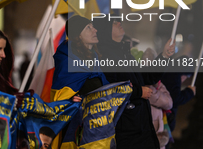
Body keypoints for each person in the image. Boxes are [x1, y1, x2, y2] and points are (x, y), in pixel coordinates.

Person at [93, 18, 175, 149]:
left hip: (139, 127)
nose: (119, 23)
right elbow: (110, 91)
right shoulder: (106, 57)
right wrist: (139, 92)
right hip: (127, 130)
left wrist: (164, 56)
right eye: (114, 23)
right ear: (105, 31)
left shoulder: (124, 54)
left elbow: (147, 77)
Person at [50, 15, 109, 148]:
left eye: (93, 27)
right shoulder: (66, 61)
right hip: (74, 131)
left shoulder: (94, 59)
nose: (95, 30)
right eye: (88, 28)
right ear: (78, 36)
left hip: (95, 129)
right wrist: (70, 100)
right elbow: (60, 96)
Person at [143, 48, 173, 149]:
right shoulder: (141, 84)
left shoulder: (159, 85)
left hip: (158, 135)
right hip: (146, 135)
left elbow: (169, 103)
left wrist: (153, 91)